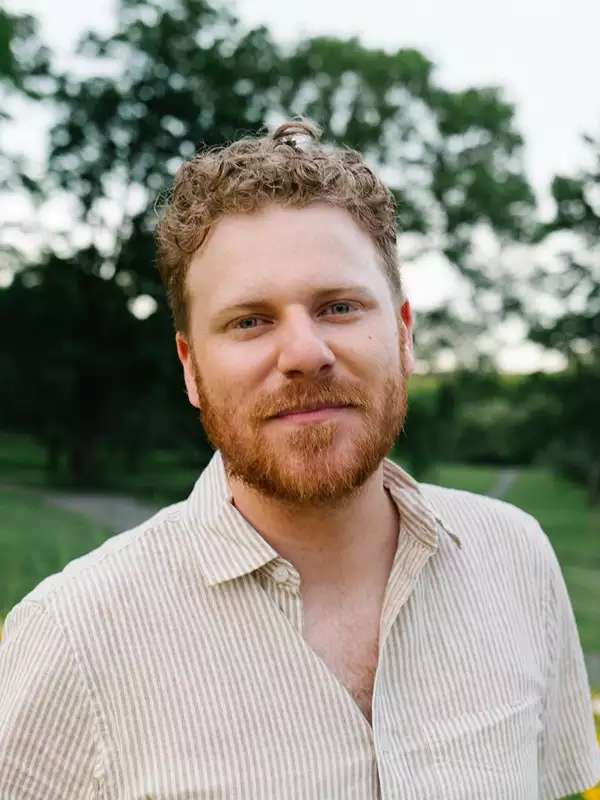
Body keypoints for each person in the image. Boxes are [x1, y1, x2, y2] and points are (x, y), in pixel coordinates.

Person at [0, 118, 598, 800]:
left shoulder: (515, 560)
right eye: (250, 320)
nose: (305, 353)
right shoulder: (72, 639)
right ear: (191, 369)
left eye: (339, 306)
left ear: (403, 336)